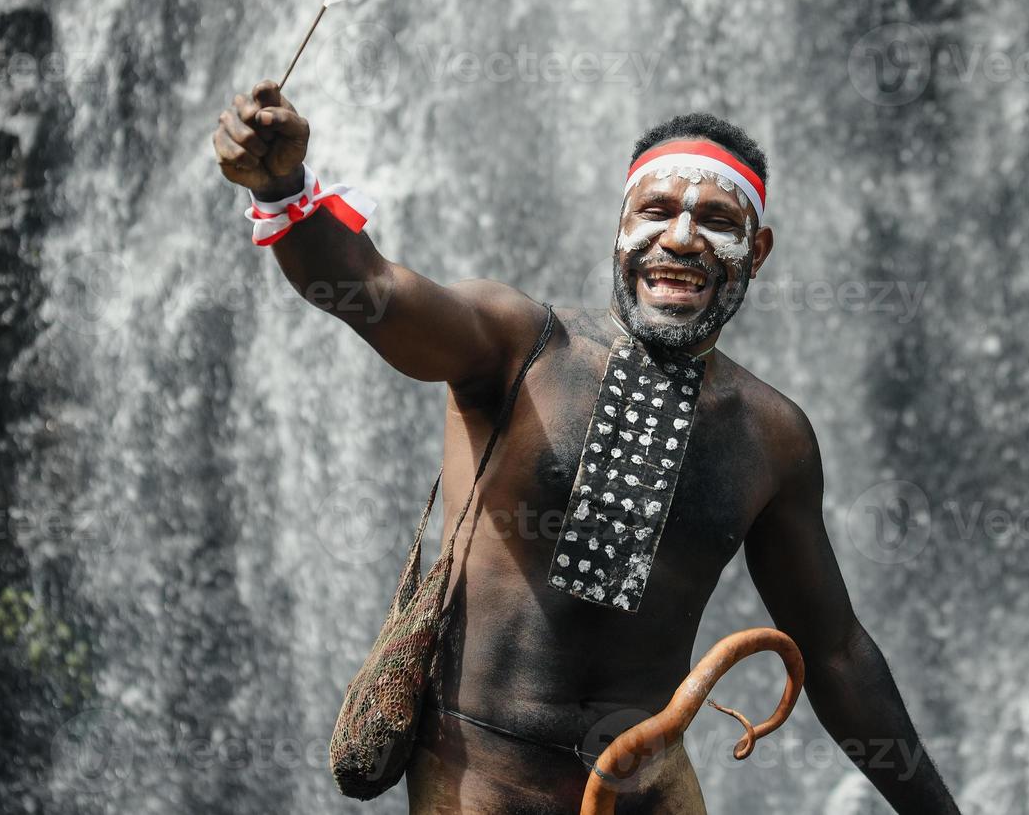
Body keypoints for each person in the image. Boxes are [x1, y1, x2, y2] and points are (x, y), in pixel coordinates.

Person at [213, 79, 962, 814]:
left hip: (648, 793)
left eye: (715, 220)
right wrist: (284, 189)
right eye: (658, 211)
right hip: (477, 788)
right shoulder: (518, 344)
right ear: (619, 229)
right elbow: (368, 288)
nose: (680, 239)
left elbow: (835, 653)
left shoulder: (773, 436)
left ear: (756, 250)